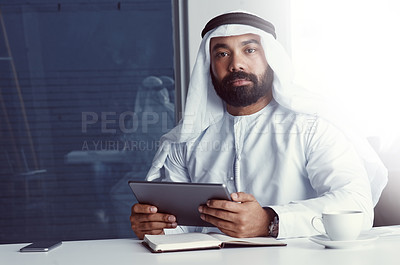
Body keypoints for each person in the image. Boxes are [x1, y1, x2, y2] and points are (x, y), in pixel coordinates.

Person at [130, 11, 388, 240]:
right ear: (209, 66)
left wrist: (270, 221)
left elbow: (357, 205)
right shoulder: (186, 140)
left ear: (271, 58)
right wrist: (157, 225)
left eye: (250, 50)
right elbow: (183, 225)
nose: (236, 64)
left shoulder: (312, 127)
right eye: (222, 53)